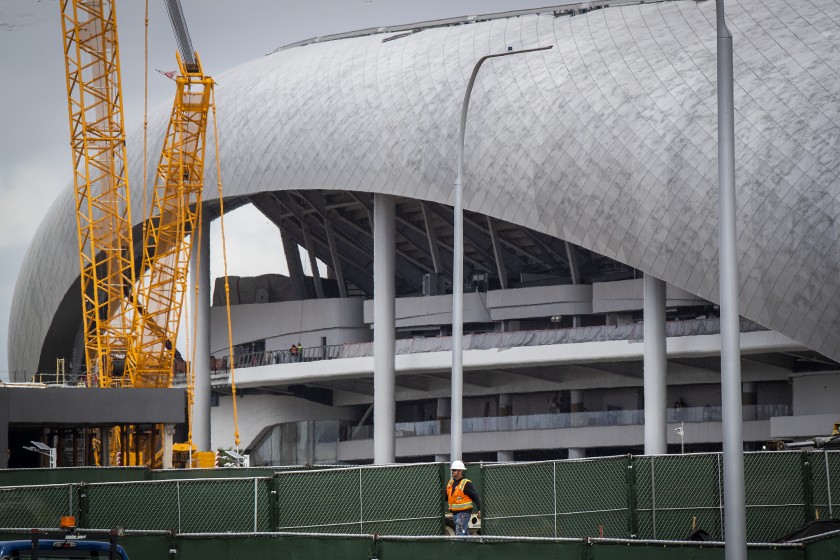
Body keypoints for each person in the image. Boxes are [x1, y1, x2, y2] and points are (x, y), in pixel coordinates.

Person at [446, 460, 481, 536]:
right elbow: (447, 496)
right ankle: (468, 547)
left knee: (460, 532)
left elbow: (475, 496)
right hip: (455, 513)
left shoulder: (466, 483)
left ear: (460, 471)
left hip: (463, 513)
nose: (453, 472)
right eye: (452, 470)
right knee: (463, 532)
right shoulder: (450, 483)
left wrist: (479, 509)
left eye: (454, 470)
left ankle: (462, 547)